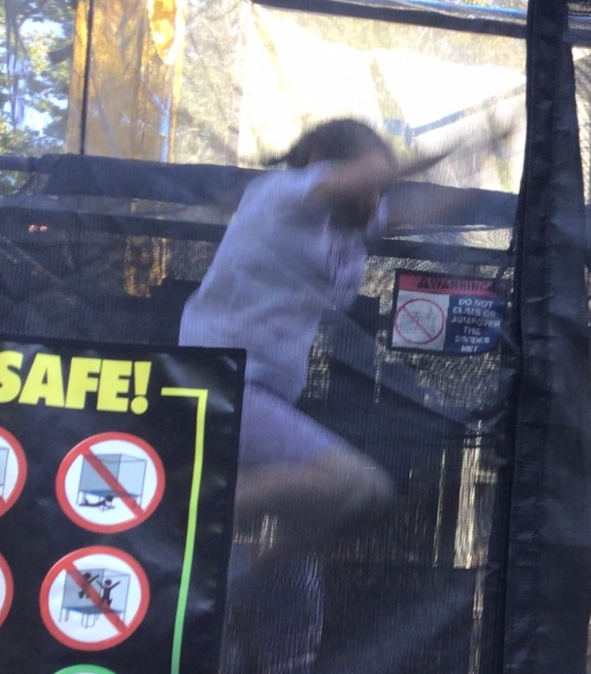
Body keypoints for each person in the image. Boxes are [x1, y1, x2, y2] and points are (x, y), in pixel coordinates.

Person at [180, 118, 443, 557]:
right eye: (368, 182)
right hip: (222, 381)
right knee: (356, 483)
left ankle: (254, 584)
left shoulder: (345, 222)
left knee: (343, 506)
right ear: (321, 163)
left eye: (378, 192)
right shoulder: (283, 194)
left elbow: (418, 213)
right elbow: (366, 177)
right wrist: (437, 151)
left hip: (264, 393)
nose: (374, 198)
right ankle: (198, 506)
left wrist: (484, 151)